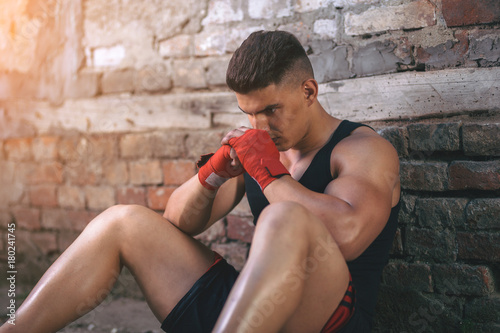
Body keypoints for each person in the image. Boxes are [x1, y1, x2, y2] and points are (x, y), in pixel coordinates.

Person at [0, 30, 400, 333]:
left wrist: (267, 173)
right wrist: (211, 175)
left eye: (271, 111)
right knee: (123, 222)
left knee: (284, 218)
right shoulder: (262, 147)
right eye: (249, 114)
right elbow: (175, 224)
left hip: (324, 317)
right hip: (247, 314)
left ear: (309, 92)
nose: (259, 127)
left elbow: (348, 236)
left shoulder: (362, 150)